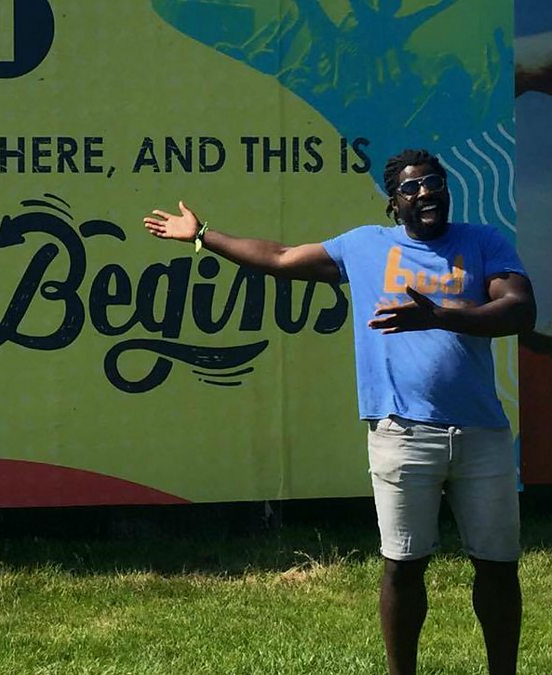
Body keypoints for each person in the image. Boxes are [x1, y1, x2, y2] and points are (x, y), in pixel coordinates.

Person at [143, 148, 534, 675]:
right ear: (393, 203)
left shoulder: (483, 241)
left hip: (481, 434)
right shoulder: (364, 246)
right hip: (402, 432)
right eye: (411, 188)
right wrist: (203, 234)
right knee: (403, 565)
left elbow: (519, 310)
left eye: (434, 183)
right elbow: (280, 257)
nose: (425, 193)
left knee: (498, 566)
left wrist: (442, 315)